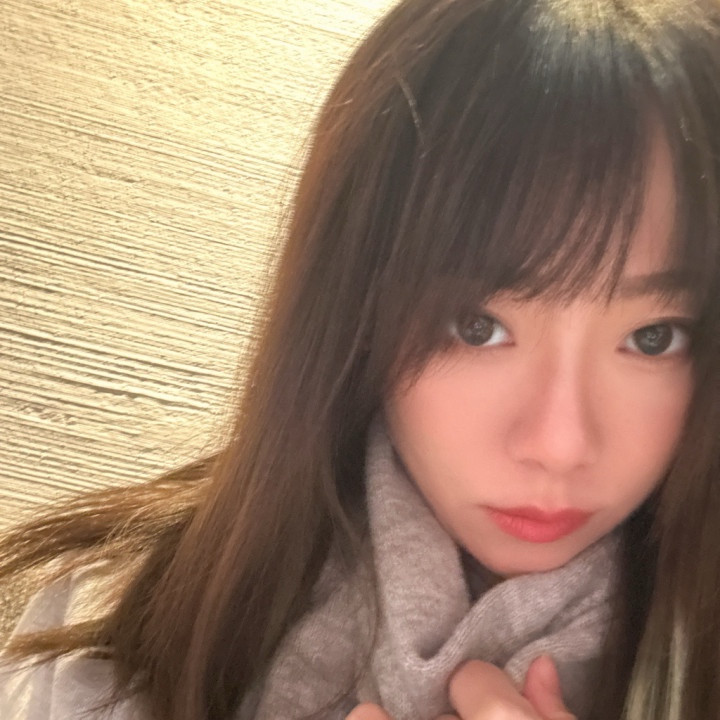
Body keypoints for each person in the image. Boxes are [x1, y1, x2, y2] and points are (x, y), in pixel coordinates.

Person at [2, 0, 720, 718]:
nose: (559, 445)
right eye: (477, 327)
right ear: (357, 308)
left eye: (652, 337)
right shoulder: (114, 632)